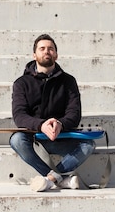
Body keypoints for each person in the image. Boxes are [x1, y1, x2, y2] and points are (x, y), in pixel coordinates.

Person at [10, 34, 96, 191]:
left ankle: (50, 180)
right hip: (35, 138)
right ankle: (60, 179)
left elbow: (74, 113)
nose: (46, 51)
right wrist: (41, 125)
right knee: (16, 140)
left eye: (50, 49)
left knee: (88, 145)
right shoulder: (21, 83)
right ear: (34, 55)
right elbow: (19, 115)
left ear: (56, 54)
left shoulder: (68, 81)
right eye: (42, 48)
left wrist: (59, 124)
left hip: (60, 136)